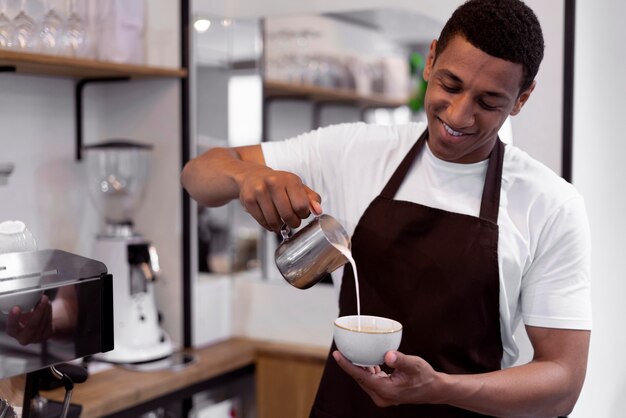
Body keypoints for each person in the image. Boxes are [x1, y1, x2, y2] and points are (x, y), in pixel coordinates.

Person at [181, 0, 591, 416]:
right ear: (430, 60)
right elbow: (198, 174)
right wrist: (244, 177)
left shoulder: (550, 204)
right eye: (450, 85)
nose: (459, 114)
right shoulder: (354, 150)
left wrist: (442, 389)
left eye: (488, 103)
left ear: (521, 98)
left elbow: (562, 382)